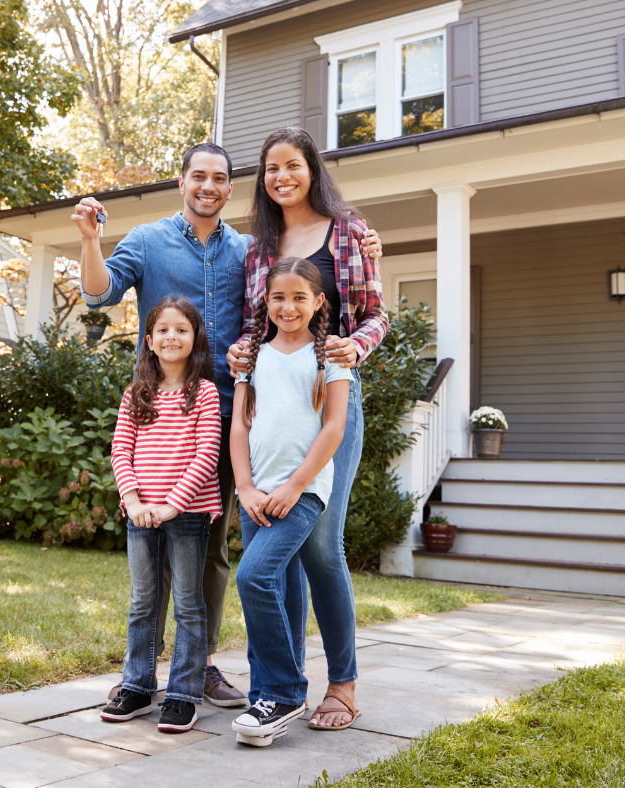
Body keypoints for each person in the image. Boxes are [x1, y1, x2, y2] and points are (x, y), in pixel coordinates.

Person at [72, 142, 383, 707]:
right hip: (187, 413)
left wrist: (351, 336)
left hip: (266, 405)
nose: (208, 186)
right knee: (175, 546)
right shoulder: (159, 241)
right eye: (198, 176)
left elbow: (353, 309)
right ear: (182, 181)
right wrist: (91, 240)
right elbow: (99, 294)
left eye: (220, 178)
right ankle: (153, 675)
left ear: (233, 188)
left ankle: (212, 667)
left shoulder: (267, 244)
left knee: (232, 548)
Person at [227, 127, 388, 731]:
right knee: (279, 552)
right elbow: (254, 324)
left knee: (322, 547)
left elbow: (376, 314)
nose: (281, 176)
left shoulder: (348, 229)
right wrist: (242, 356)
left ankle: (342, 685)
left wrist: (352, 348)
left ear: (311, 169)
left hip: (330, 396)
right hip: (273, 403)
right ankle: (282, 686)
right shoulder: (257, 245)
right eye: (270, 168)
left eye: (292, 165)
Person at [230, 258, 352, 746]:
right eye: (279, 296)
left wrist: (295, 485)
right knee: (271, 585)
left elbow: (334, 428)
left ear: (318, 302)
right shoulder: (251, 357)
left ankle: (284, 692)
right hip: (255, 490)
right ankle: (267, 696)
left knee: (254, 575)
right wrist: (245, 487)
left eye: (300, 297)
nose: (288, 306)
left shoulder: (332, 357)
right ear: (266, 300)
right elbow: (239, 425)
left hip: (301, 492)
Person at [101, 296, 222, 733]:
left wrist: (175, 502)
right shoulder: (137, 394)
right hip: (140, 513)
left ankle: (184, 694)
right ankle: (136, 685)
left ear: (195, 339)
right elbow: (121, 450)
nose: (172, 336)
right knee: (143, 603)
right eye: (163, 330)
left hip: (187, 512)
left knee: (189, 605)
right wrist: (133, 502)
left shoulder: (204, 393)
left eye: (182, 329)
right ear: (149, 341)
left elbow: (208, 452)